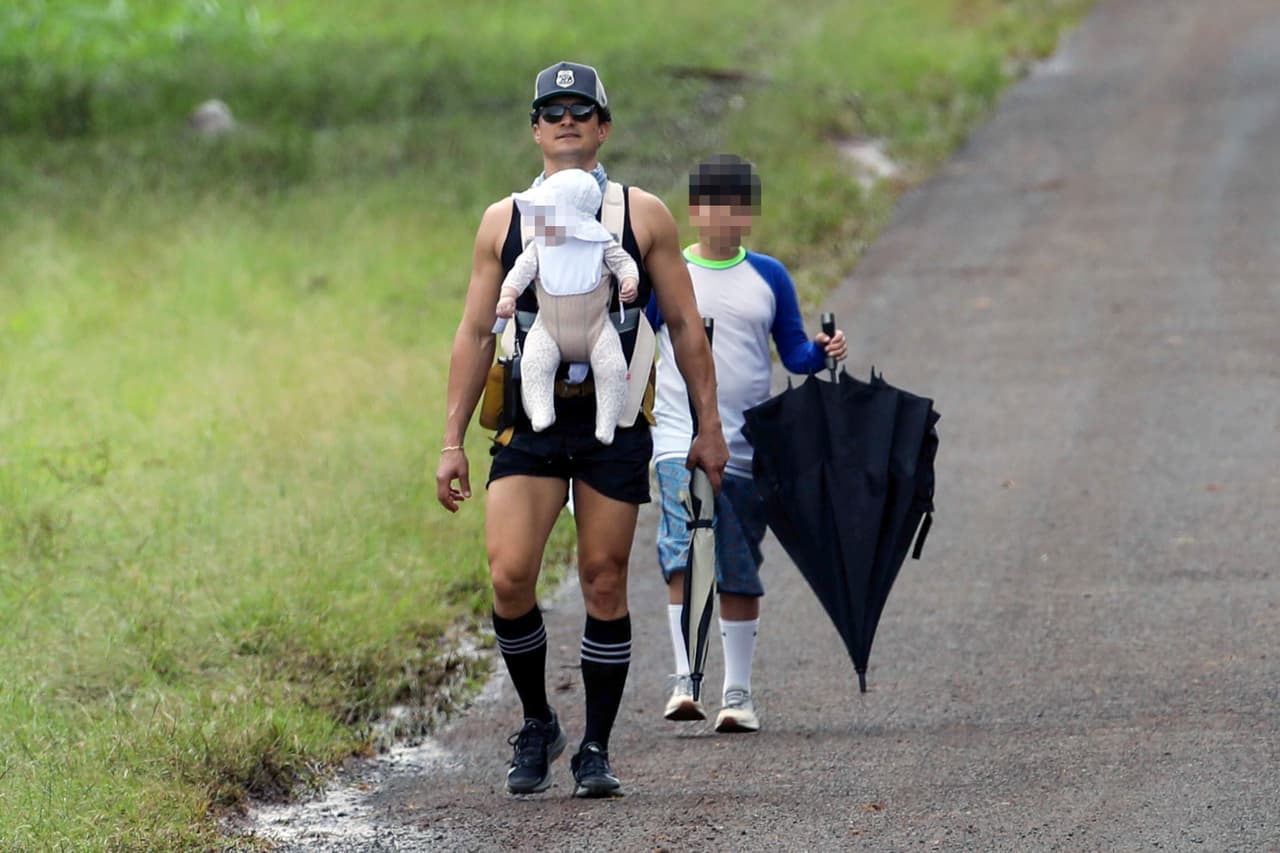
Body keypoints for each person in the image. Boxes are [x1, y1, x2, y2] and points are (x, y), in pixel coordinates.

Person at [435, 61, 728, 799]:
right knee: (508, 575)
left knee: (603, 576)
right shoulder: (504, 221)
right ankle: (537, 719)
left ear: (602, 128)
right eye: (551, 110)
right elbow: (475, 331)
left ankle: (595, 746)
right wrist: (449, 441)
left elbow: (688, 325)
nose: (566, 120)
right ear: (535, 130)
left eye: (580, 110)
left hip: (613, 419)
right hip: (528, 424)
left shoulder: (642, 215)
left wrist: (708, 425)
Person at [647, 154, 847, 733]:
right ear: (693, 212)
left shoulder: (769, 277)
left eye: (736, 205)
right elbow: (634, 346)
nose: (723, 216)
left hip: (748, 446)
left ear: (749, 213)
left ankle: (737, 692)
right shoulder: (669, 275)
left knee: (736, 564)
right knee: (684, 547)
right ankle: (686, 679)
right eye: (711, 204)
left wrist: (822, 350)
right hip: (677, 438)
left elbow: (795, 355)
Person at [495, 167, 640, 445]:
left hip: (597, 330)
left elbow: (624, 263)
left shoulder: (601, 243)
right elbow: (519, 272)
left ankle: (607, 422)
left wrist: (629, 281)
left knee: (613, 368)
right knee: (534, 362)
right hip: (547, 328)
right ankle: (541, 411)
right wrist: (508, 296)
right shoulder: (541, 246)